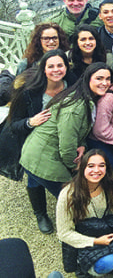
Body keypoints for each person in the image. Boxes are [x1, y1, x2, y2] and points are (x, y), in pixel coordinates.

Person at [20, 63, 113, 198]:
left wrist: (82, 145)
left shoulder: (85, 97)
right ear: (88, 79)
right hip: (43, 157)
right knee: (73, 198)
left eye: (108, 79)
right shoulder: (76, 106)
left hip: (44, 152)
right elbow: (67, 144)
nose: (105, 83)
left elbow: (79, 131)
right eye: (99, 78)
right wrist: (75, 167)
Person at [7, 49, 73, 233]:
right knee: (35, 177)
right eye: (50, 66)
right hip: (35, 142)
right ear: (43, 69)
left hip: (63, 140)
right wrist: (30, 122)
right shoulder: (29, 93)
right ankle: (41, 213)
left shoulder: (72, 85)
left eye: (60, 65)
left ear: (66, 67)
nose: (56, 70)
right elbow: (14, 125)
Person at [56, 149, 113, 276]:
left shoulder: (111, 184)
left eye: (101, 165)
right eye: (91, 166)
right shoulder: (68, 195)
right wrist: (95, 241)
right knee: (109, 262)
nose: (96, 170)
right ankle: (85, 268)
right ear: (82, 168)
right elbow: (64, 233)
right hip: (85, 239)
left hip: (106, 232)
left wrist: (112, 229)